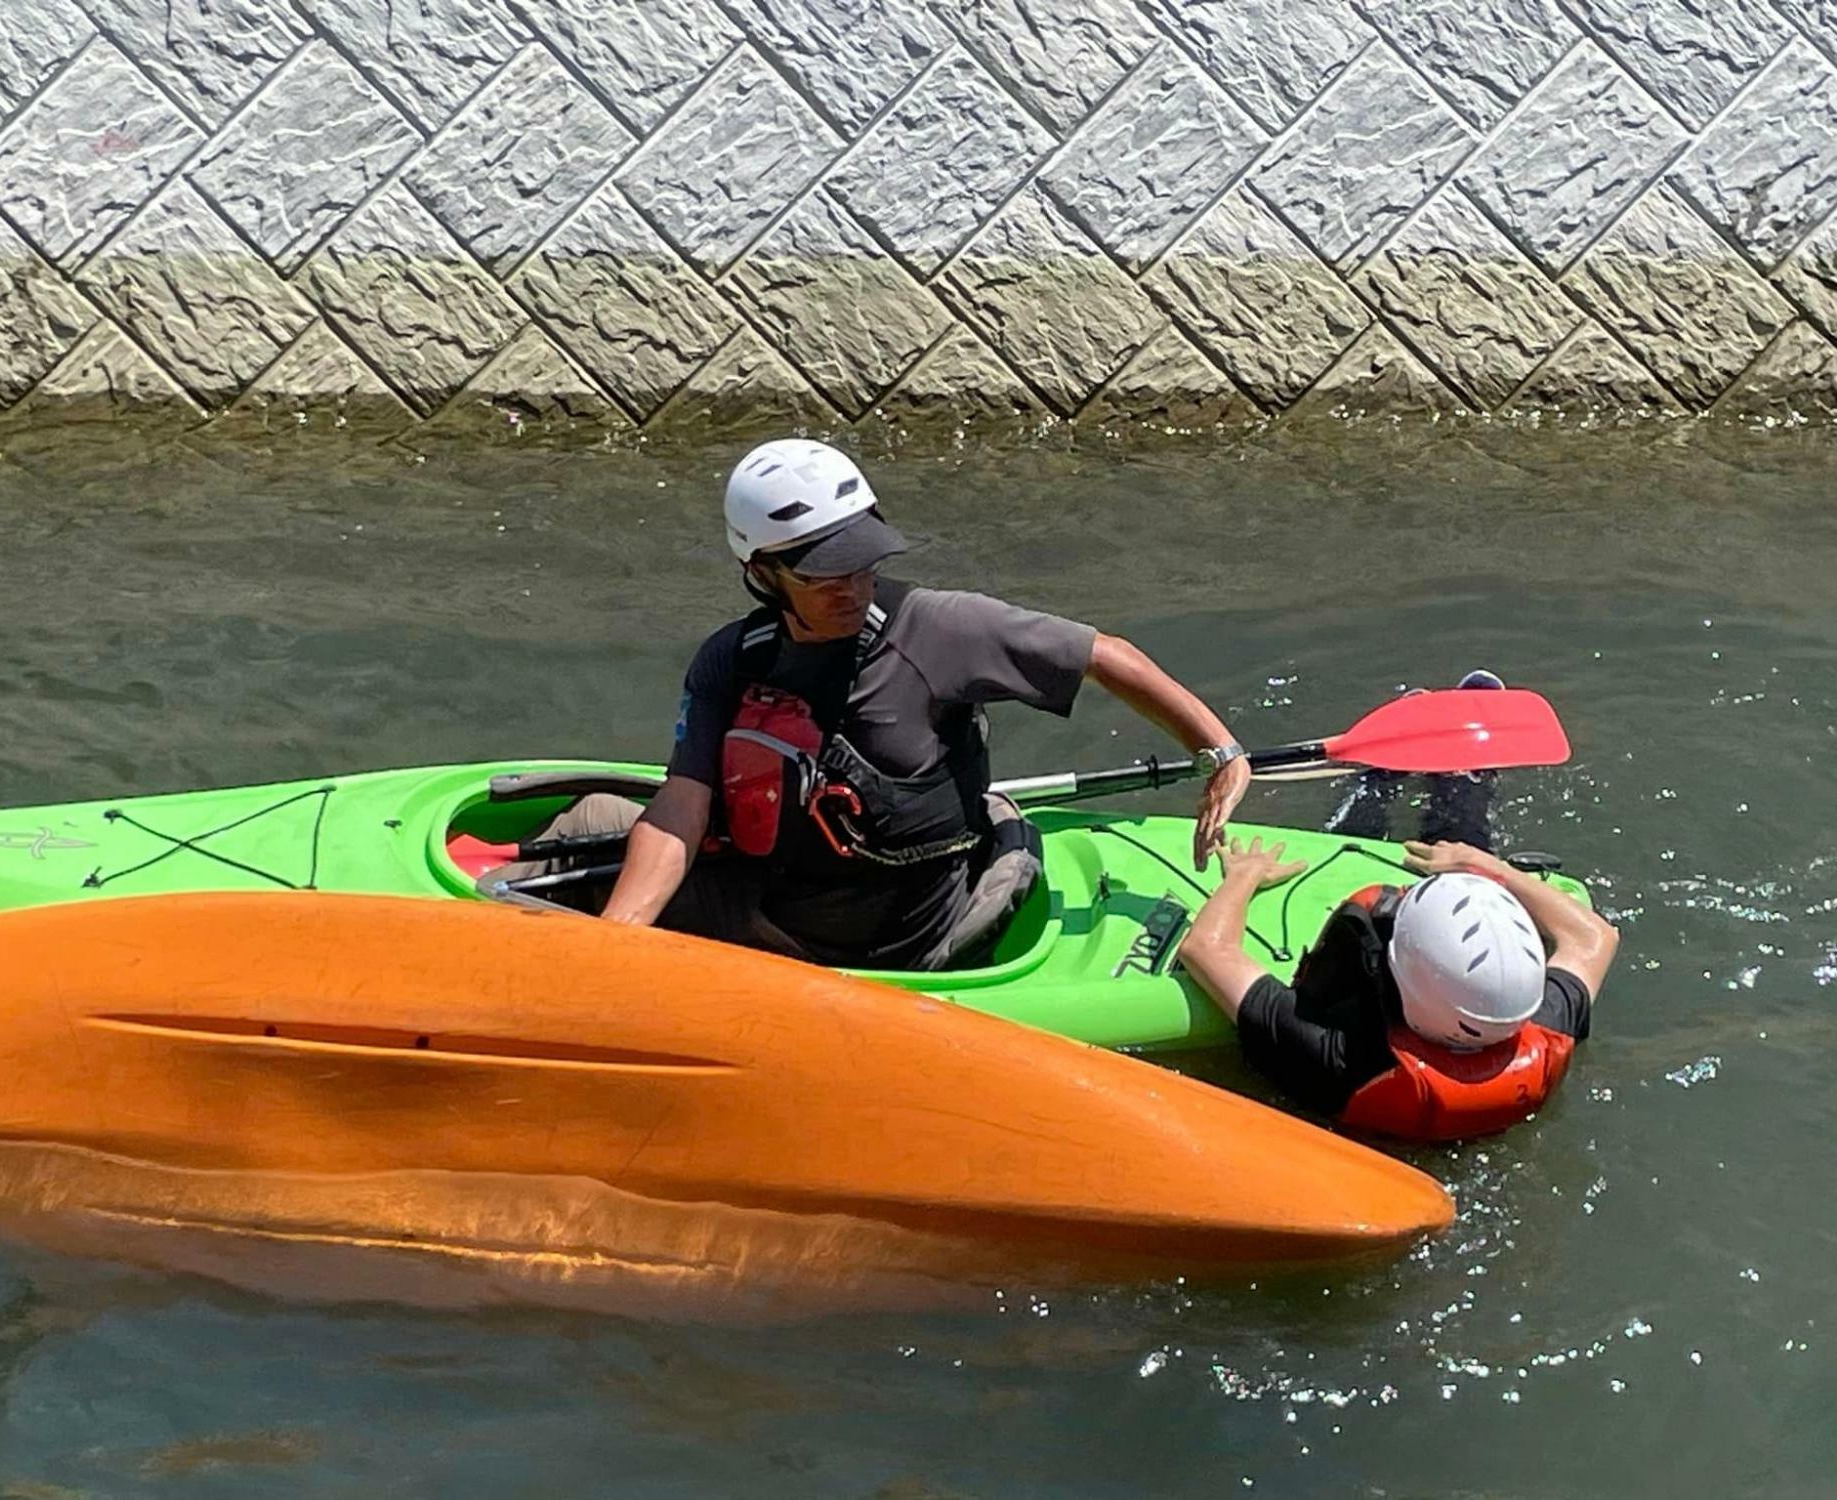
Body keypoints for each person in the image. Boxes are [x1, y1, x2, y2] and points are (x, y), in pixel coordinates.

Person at [494, 438, 1253, 972]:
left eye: (862, 563)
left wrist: (1219, 754)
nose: (852, 587)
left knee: (575, 853)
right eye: (825, 574)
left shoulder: (937, 628)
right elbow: (684, 804)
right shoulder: (734, 656)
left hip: (877, 935)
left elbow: (1102, 655)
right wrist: (619, 941)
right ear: (763, 571)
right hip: (781, 897)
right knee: (590, 821)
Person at [1176, 695, 1620, 1141]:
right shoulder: (1543, 1033)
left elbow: (1206, 949)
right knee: (1458, 841)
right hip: (1433, 1046)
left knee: (1357, 873)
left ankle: (1379, 780)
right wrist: (1488, 866)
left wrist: (1244, 875)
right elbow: (1595, 936)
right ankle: (1461, 780)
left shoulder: (1334, 1057)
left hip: (1361, 1077)